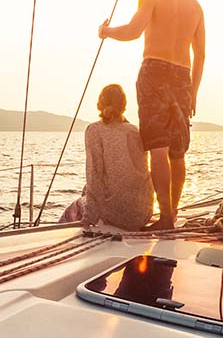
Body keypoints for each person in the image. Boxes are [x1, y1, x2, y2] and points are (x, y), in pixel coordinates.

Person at [98, 0, 205, 229]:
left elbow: (133, 31)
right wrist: (193, 90)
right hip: (183, 77)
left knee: (158, 149)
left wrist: (106, 31)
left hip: (155, 72)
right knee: (178, 151)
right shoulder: (195, 5)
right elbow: (201, 54)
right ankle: (173, 212)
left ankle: (166, 217)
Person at [60, 84, 153, 230]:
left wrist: (89, 218)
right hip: (142, 214)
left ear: (99, 104)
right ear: (124, 106)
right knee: (88, 190)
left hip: (114, 216)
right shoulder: (134, 131)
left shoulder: (94, 130)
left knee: (75, 206)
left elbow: (94, 176)